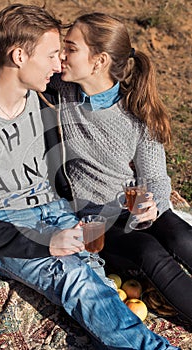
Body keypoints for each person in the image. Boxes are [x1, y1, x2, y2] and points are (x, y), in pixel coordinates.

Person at [0, 4, 179, 350]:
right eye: (51, 55)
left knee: (99, 276)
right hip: (10, 224)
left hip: (58, 207)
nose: (59, 63)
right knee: (75, 277)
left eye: (63, 53)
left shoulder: (45, 97)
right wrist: (46, 244)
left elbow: (101, 92)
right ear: (19, 56)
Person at [44, 12, 192, 323]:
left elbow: (155, 176)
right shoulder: (59, 90)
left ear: (98, 62)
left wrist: (155, 205)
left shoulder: (136, 108)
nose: (61, 55)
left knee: (182, 238)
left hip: (131, 206)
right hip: (93, 220)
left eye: (70, 48)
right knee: (150, 254)